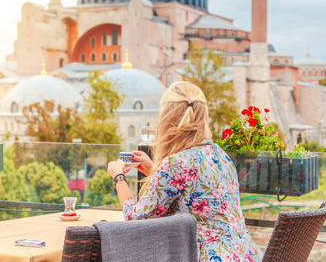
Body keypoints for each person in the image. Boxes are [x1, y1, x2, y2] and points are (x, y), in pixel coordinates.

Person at [107, 81, 263, 262]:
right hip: (247, 255)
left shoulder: (175, 164)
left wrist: (118, 176)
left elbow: (135, 222)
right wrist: (154, 170)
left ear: (167, 118)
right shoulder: (221, 156)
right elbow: (191, 189)